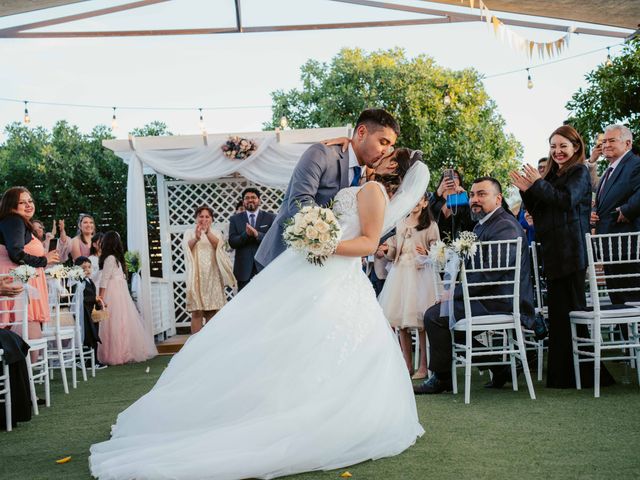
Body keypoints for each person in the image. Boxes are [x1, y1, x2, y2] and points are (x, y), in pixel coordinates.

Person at [89, 149, 430, 480]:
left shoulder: (371, 190)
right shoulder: (368, 188)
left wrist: (322, 243)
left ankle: (284, 412)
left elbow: (368, 244)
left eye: (388, 150)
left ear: (390, 166)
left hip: (330, 272)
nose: (382, 152)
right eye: (383, 143)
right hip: (324, 271)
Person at [511, 125, 614, 389]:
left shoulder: (579, 172)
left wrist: (537, 183)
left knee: (572, 313)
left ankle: (586, 374)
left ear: (576, 147)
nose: (557, 151)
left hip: (573, 251)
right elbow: (540, 207)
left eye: (563, 146)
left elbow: (566, 201)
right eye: (554, 146)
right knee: (559, 316)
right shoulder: (554, 174)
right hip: (555, 252)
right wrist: (527, 189)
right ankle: (566, 375)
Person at [415, 177, 535, 394]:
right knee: (444, 315)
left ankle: (441, 379)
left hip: (502, 299)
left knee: (436, 316)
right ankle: (500, 367)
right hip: (488, 296)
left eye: (482, 194)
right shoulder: (484, 224)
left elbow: (491, 274)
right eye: (471, 195)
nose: (474, 200)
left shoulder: (504, 226)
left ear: (498, 199)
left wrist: (455, 294)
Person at [255, 108, 400, 269]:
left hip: (326, 265)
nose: (386, 151)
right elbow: (300, 201)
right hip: (284, 257)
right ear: (361, 132)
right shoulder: (322, 153)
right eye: (383, 142)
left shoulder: (369, 177)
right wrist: (326, 240)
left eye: (390, 146)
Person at [378, 193, 439, 379]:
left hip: (420, 274)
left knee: (421, 322)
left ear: (425, 203)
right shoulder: (401, 223)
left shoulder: (430, 226)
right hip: (400, 273)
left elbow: (438, 252)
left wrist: (428, 252)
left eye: (419, 199)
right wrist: (388, 250)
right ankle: (406, 364)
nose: (415, 203)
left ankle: (423, 365)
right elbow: (396, 247)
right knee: (399, 321)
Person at [0, 187, 59, 340]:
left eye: (30, 201)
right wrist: (44, 260)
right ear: (11, 205)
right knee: (27, 340)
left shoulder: (18, 222)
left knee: (25, 338)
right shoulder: (14, 220)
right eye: (22, 202)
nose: (28, 205)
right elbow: (16, 253)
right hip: (15, 283)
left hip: (20, 281)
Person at [591, 124, 640, 305]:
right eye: (604, 141)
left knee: (633, 304)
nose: (606, 145)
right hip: (610, 247)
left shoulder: (635, 164)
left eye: (612, 140)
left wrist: (627, 210)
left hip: (629, 246)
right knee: (618, 303)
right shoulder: (609, 170)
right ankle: (626, 335)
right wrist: (595, 213)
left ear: (627, 144)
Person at [97, 231, 157, 365]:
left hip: (113, 292)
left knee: (113, 321)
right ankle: (124, 350)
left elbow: (104, 279)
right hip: (120, 292)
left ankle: (116, 353)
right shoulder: (117, 259)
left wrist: (100, 296)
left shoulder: (110, 258)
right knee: (122, 320)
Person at [182, 206, 236, 333]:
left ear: (212, 219)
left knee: (212, 311)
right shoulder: (189, 232)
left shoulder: (216, 233)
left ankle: (210, 345)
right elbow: (186, 248)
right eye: (201, 216)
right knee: (197, 311)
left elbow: (219, 246)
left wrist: (207, 232)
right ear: (196, 218)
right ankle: (195, 345)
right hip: (196, 275)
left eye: (207, 216)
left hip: (212, 275)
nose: (204, 219)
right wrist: (196, 237)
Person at [228, 188, 276, 291]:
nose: (250, 200)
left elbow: (273, 240)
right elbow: (232, 242)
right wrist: (245, 234)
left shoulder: (270, 217)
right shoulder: (235, 219)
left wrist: (256, 234)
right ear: (243, 201)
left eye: (253, 197)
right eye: (247, 198)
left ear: (259, 200)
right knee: (245, 303)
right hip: (243, 270)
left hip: (264, 266)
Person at [74, 256, 107, 370]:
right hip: (85, 315)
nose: (87, 270)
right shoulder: (79, 282)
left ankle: (94, 360)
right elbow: (81, 298)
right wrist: (95, 298)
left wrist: (99, 302)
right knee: (89, 337)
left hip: (91, 313)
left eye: (89, 267)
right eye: (84, 268)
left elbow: (92, 296)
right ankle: (88, 361)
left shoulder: (89, 281)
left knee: (94, 336)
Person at [429, 168, 475, 240]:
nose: (451, 179)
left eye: (455, 177)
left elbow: (472, 222)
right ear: (442, 181)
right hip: (433, 246)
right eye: (448, 176)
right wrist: (438, 193)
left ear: (459, 181)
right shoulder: (434, 198)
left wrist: (465, 199)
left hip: (457, 246)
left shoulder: (463, 200)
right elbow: (423, 212)